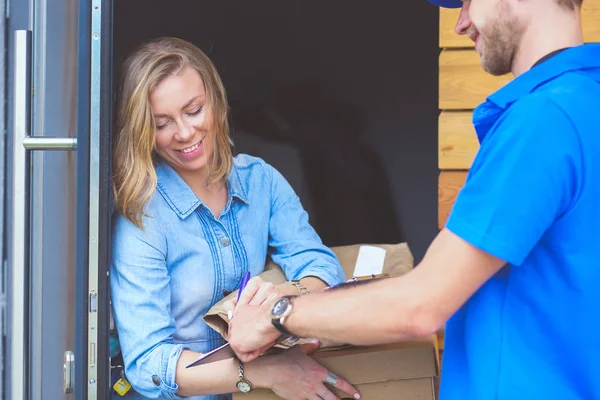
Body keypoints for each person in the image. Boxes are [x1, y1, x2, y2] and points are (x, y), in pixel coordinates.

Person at [227, 0, 600, 399]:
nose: (460, 24)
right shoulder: (584, 100)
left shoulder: (541, 121)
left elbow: (421, 305)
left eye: (467, 2)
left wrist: (277, 315)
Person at [110, 36, 360, 400]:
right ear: (143, 132)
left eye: (193, 110)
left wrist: (277, 309)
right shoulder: (141, 217)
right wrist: (261, 371)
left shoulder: (263, 182)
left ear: (216, 101)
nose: (184, 133)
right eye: (162, 123)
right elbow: (148, 364)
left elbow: (319, 264)